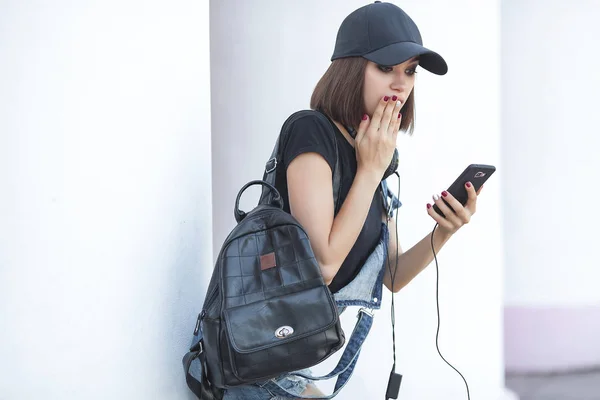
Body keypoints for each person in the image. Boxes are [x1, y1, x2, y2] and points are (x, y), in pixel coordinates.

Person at [223, 2, 484, 399]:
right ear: (349, 68)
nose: (401, 84)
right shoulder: (311, 131)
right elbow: (322, 266)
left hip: (296, 363)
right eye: (385, 68)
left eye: (410, 71)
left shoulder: (377, 157)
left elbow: (392, 274)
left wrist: (444, 231)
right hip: (255, 361)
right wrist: (369, 170)